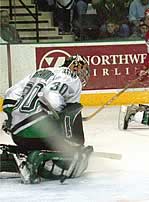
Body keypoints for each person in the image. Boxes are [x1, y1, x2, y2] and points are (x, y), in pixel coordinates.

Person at [0, 54, 93, 184]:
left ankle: (18, 155)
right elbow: (51, 97)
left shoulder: (42, 71)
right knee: (74, 108)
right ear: (77, 68)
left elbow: (10, 94)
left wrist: (11, 119)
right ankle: (66, 149)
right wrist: (60, 118)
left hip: (18, 134)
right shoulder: (72, 77)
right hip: (41, 135)